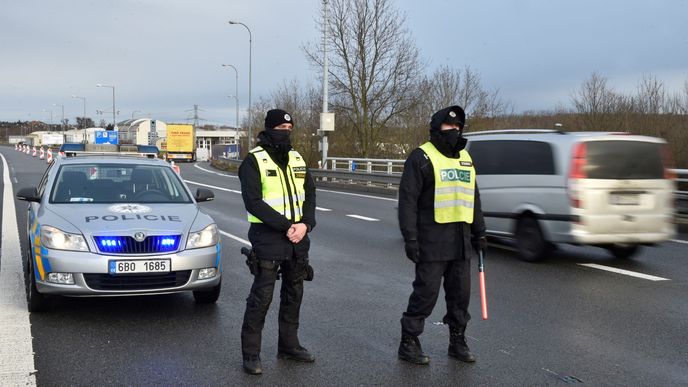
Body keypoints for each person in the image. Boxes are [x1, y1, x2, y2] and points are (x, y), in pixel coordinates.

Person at [397, 105, 487, 365]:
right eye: (449, 127)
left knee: (460, 296)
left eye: (458, 127)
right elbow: (408, 202)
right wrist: (410, 238)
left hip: (460, 241)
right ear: (437, 129)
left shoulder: (465, 159)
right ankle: (409, 341)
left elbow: (474, 198)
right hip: (432, 240)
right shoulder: (421, 157)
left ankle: (457, 340)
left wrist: (480, 232)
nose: (455, 131)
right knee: (426, 294)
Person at [238, 109, 317, 375]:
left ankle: (289, 346)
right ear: (269, 129)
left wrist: (305, 224)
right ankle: (251, 354)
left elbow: (310, 193)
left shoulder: (297, 157)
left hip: (297, 238)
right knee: (261, 297)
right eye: (281, 128)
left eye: (289, 128)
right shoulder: (253, 161)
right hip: (269, 237)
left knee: (294, 294)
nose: (285, 132)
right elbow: (254, 202)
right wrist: (288, 227)